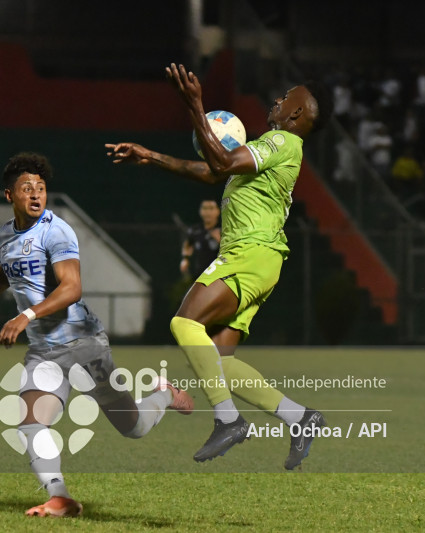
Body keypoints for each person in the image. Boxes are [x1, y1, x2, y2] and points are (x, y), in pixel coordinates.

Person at [105, 63, 333, 468]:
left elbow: (223, 163)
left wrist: (194, 105)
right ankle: (300, 417)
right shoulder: (271, 153)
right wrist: (151, 156)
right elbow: (212, 172)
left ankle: (228, 420)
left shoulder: (281, 141)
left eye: (286, 98)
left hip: (248, 254)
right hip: (263, 261)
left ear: (297, 113)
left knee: (183, 324)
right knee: (219, 363)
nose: (277, 101)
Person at [0, 152, 193, 517]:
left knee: (134, 427)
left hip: (84, 345)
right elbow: (7, 271)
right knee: (30, 423)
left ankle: (163, 394)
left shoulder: (56, 230)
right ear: (9, 196)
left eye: (41, 188)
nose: (35, 195)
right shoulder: (4, 234)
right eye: (26, 188)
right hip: (44, 351)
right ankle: (60, 497)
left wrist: (25, 316)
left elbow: (72, 288)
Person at [180, 199, 221, 281]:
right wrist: (185, 259)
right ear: (200, 211)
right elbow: (188, 244)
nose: (207, 212)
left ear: (218, 211)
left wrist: (220, 240)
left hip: (219, 275)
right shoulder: (195, 230)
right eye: (205, 208)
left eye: (211, 208)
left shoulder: (224, 229)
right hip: (200, 275)